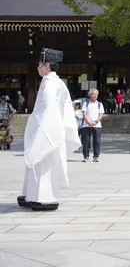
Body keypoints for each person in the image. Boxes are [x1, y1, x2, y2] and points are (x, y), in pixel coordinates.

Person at [18, 48, 80, 211]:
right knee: (37, 164)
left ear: (46, 66)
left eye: (39, 64)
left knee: (42, 162)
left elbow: (48, 109)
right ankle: (31, 195)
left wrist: (41, 131)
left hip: (47, 130)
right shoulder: (55, 82)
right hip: (48, 127)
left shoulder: (50, 83)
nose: (37, 68)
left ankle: (44, 198)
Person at [81, 89, 104, 162]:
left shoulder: (99, 104)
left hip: (97, 126)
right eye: (93, 94)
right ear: (89, 95)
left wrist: (96, 121)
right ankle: (86, 156)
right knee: (86, 141)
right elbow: (84, 114)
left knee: (97, 141)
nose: (94, 95)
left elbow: (101, 114)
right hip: (86, 125)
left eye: (96, 94)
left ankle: (96, 156)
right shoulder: (86, 103)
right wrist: (88, 122)